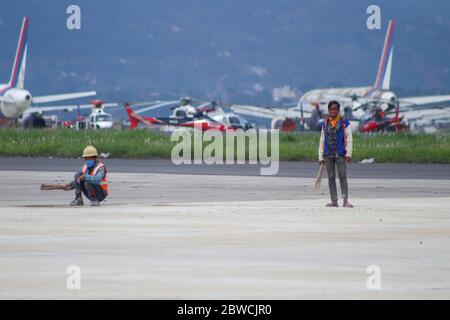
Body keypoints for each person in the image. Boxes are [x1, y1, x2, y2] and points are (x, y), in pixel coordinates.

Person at [318, 101, 353, 208]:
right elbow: (322, 140)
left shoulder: (344, 122)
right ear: (328, 110)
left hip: (340, 154)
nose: (333, 111)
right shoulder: (325, 123)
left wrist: (349, 153)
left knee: (343, 177)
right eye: (331, 109)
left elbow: (349, 138)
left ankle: (345, 200)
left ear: (338, 110)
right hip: (328, 154)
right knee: (331, 177)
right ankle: (334, 201)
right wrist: (320, 156)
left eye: (335, 109)